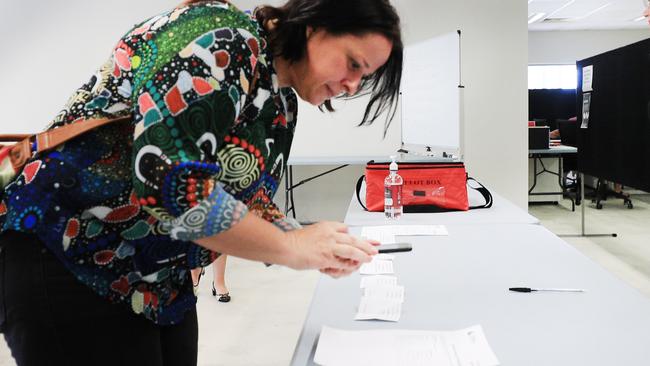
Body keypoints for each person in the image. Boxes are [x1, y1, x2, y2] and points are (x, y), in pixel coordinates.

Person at [0, 0, 403, 365]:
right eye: (353, 64)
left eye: (364, 77)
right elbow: (168, 183)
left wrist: (306, 239)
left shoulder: (281, 100)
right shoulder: (222, 39)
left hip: (153, 278)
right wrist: (290, 247)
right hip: (68, 250)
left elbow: (246, 194)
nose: (352, 85)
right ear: (316, 25)